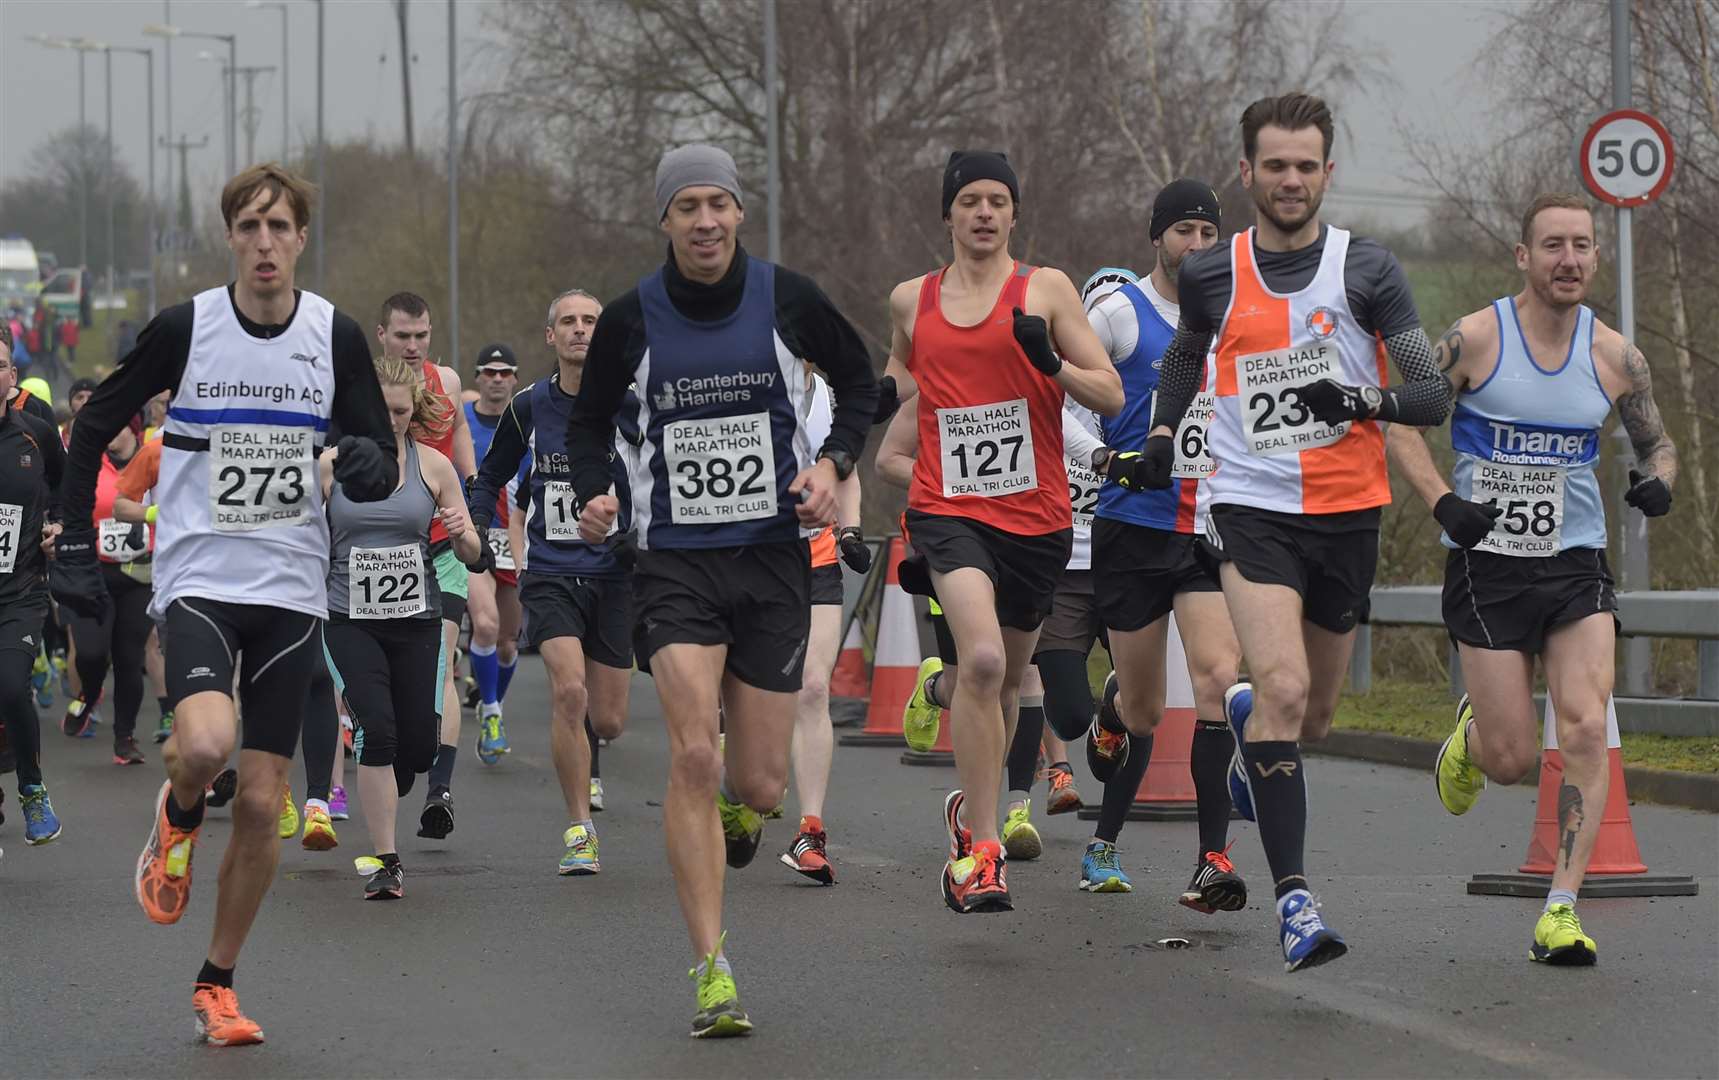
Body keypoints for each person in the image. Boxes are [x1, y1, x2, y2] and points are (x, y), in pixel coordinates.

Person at [54, 162, 398, 1044]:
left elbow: (375, 452)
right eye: (248, 226)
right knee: (205, 743)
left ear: (301, 238)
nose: (264, 242)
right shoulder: (187, 328)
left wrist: (364, 464)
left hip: (291, 587)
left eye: (280, 227)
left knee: (259, 802)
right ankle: (173, 815)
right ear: (230, 237)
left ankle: (218, 984)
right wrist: (75, 548)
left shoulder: (334, 334)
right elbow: (95, 424)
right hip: (202, 577)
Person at [568, 144, 877, 1036]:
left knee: (762, 781)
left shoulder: (789, 298)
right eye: (687, 207)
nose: (704, 221)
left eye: (719, 204)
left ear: (740, 212)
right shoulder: (631, 319)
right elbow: (591, 426)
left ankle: (746, 810)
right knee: (693, 756)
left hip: (774, 559)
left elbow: (860, 384)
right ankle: (712, 969)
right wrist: (597, 490)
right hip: (674, 563)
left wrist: (831, 463)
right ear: (663, 219)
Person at [1144, 93, 1451, 971]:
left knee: (1308, 714)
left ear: (1325, 172)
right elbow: (1179, 358)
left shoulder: (1369, 271)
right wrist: (1164, 435)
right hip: (1249, 507)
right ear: (1246, 172)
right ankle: (1295, 903)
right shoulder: (1212, 271)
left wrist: (1359, 399)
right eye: (1273, 165)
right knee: (1279, 688)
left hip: (1347, 515)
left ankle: (1250, 730)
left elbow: (1429, 395)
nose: (1289, 180)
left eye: (1304, 165)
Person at [1391, 193, 1678, 966]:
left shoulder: (1616, 356)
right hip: (1487, 566)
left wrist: (1657, 482)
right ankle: (1470, 735)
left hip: (1576, 565)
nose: (1569, 259)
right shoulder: (1476, 339)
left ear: (1594, 256)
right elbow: (1403, 424)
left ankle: (1559, 907)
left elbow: (1660, 447)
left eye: (1581, 246)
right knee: (1512, 758)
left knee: (1584, 724)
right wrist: (1443, 503)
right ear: (1523, 256)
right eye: (1552, 245)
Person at [878, 149, 1122, 915]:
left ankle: (967, 809)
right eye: (969, 201)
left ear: (1014, 213)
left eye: (997, 201)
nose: (983, 213)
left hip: (1036, 520)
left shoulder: (1042, 289)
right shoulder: (908, 299)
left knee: (1009, 682)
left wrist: (1049, 361)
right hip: (949, 514)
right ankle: (981, 851)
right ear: (948, 214)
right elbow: (898, 383)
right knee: (982, 660)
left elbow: (1108, 393)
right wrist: (850, 428)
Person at [1077, 184, 1248, 910]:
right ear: (1157, 238)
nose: (1198, 244)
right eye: (1184, 229)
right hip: (1132, 524)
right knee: (1146, 712)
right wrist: (1100, 460)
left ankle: (1212, 859)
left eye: (1210, 231)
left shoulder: (1239, 320)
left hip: (1206, 531)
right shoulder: (1116, 314)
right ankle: (1111, 710)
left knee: (1215, 680)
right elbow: (1058, 410)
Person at [468, 289, 640, 877]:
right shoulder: (529, 405)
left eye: (591, 321)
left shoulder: (631, 405)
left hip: (617, 573)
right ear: (551, 336)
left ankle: (591, 760)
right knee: (569, 693)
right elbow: (491, 473)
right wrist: (468, 524)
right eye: (568, 321)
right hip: (551, 571)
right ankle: (579, 829)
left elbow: (660, 473)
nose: (580, 330)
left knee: (609, 718)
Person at [323, 355, 483, 899]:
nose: (390, 419)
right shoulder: (329, 466)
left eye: (400, 410)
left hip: (416, 619)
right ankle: (385, 860)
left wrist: (463, 532)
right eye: (381, 408)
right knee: (378, 732)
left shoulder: (433, 466)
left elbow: (473, 552)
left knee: (417, 747)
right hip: (348, 619)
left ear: (414, 410)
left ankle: (395, 773)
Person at [375, 291, 481, 841]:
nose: (414, 346)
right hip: (382, 556)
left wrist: (472, 484)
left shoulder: (447, 380)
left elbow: (459, 426)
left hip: (440, 549)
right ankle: (398, 751)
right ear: (382, 336)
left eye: (422, 336)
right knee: (393, 674)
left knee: (443, 661)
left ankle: (440, 789)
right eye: (403, 336)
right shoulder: (366, 389)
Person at [780, 363, 869, 885]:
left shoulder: (829, 398)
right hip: (754, 562)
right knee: (755, 694)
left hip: (816, 558)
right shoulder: (747, 384)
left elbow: (848, 472)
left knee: (814, 689)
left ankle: (810, 830)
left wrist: (852, 531)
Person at [0, 323, 67, 848]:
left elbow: (67, 488)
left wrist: (58, 526)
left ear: (12, 375)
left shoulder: (35, 433)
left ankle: (32, 788)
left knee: (9, 686)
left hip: (21, 591)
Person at [59, 414, 156, 764]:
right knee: (90, 652)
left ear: (132, 428)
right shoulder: (87, 461)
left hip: (139, 574)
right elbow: (69, 506)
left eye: (117, 426)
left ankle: (124, 738)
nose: (109, 433)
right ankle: (89, 692)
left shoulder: (152, 458)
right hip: (93, 572)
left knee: (130, 659)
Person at [463, 342, 530, 763]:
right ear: (478, 378)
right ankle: (489, 712)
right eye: (490, 372)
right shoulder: (462, 420)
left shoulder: (528, 418)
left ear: (515, 380)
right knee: (484, 626)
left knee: (508, 643)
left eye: (506, 373)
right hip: (472, 536)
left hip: (516, 539)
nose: (497, 379)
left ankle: (495, 706)